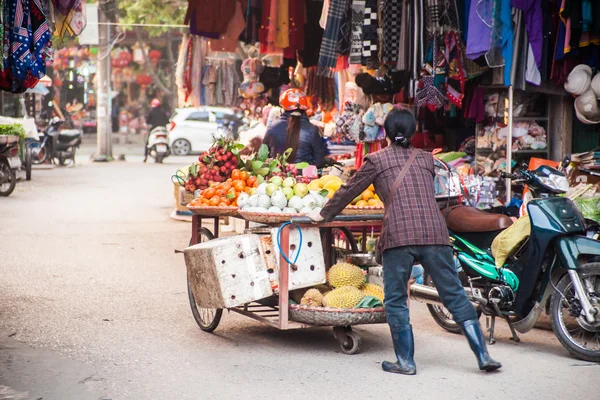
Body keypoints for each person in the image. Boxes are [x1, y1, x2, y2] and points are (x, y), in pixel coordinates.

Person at [309, 109, 501, 375]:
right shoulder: (425, 160)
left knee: (396, 299)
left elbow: (349, 189)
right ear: (412, 132)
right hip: (434, 233)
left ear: (385, 132)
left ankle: (406, 362)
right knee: (453, 294)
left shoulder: (376, 160)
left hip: (399, 235)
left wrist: (323, 213)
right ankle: (482, 355)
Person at [263, 89, 326, 167]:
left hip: (277, 176)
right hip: (304, 178)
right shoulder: (312, 130)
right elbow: (319, 161)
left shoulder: (272, 127)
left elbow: (263, 157)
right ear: (304, 108)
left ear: (282, 107)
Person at [144, 98, 169, 162]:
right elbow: (167, 121)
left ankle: (145, 156)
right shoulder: (163, 111)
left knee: (147, 142)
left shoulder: (151, 111)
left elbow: (147, 121)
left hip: (154, 129)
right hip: (163, 130)